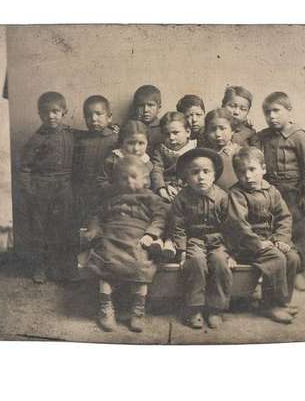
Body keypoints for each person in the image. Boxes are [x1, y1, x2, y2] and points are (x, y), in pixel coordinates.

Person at [85, 156, 167, 333]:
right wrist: (93, 230)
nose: (129, 181)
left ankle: (138, 311)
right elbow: (97, 216)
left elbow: (160, 218)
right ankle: (106, 307)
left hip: (138, 237)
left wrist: (151, 234)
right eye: (123, 178)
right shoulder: (112, 198)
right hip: (112, 235)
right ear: (116, 180)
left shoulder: (151, 198)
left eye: (133, 176)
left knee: (141, 264)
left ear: (144, 179)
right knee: (105, 261)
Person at [249, 92, 305, 291]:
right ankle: (278, 268)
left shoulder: (298, 136)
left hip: (295, 193)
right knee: (273, 227)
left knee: (299, 230)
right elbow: (251, 143)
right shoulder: (263, 136)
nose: (272, 116)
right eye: (267, 112)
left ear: (289, 111)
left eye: (276, 111)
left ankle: (299, 270)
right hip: (272, 192)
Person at [225, 147, 300, 324]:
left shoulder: (272, 191)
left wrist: (281, 239)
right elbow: (238, 225)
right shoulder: (237, 194)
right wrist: (258, 243)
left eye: (252, 169)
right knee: (276, 258)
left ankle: (282, 302)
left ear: (263, 169)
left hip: (270, 241)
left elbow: (284, 217)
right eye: (242, 172)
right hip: (245, 245)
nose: (248, 176)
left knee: (292, 257)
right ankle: (270, 305)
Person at [171, 148, 233, 329]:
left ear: (214, 175)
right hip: (194, 241)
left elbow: (231, 227)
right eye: (195, 172)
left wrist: (232, 253)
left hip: (219, 242)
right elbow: (178, 227)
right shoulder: (182, 198)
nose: (201, 177)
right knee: (196, 262)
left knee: (220, 262)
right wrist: (181, 252)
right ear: (186, 177)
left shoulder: (223, 197)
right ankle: (195, 308)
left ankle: (215, 308)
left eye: (206, 172)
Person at [19, 91, 77, 284]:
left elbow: (87, 137)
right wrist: (30, 191)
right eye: (46, 112)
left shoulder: (70, 133)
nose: (51, 116)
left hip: (65, 187)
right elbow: (25, 167)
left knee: (63, 226)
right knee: (40, 228)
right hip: (42, 187)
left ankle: (60, 267)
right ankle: (40, 266)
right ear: (40, 115)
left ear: (64, 112)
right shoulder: (37, 139)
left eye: (55, 111)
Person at [149, 111, 196, 259]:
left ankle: (170, 241)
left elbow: (194, 171)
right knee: (163, 209)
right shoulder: (160, 150)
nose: (171, 138)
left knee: (179, 211)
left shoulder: (194, 149)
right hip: (166, 188)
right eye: (167, 134)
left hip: (187, 190)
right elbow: (157, 169)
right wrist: (161, 187)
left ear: (188, 132)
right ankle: (158, 239)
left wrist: (183, 189)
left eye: (176, 133)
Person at [73, 95, 118, 225]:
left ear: (109, 117)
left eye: (98, 114)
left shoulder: (116, 139)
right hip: (86, 192)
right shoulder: (81, 141)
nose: (93, 119)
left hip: (108, 192)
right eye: (88, 115)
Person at [97, 120, 153, 194]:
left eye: (141, 143)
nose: (136, 148)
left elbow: (148, 185)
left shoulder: (147, 163)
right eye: (131, 143)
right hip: (115, 197)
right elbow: (101, 182)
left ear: (147, 143)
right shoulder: (113, 160)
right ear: (122, 142)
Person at [204, 108, 241, 190]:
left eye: (222, 128)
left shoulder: (240, 152)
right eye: (213, 129)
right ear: (206, 132)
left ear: (232, 130)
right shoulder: (204, 155)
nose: (218, 134)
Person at [130, 84, 163, 153]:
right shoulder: (130, 127)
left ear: (159, 108)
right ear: (135, 107)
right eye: (141, 105)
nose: (146, 110)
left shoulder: (163, 127)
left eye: (150, 105)